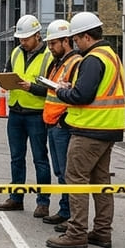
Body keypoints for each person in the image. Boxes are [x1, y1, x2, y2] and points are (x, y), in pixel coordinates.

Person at [46, 11, 125, 248]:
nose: (75, 43)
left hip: (89, 129)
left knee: (76, 179)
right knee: (100, 181)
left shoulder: (92, 59)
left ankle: (76, 231)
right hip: (108, 128)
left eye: (77, 38)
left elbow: (82, 95)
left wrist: (61, 91)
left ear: (86, 37)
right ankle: (102, 231)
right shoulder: (111, 55)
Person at [0, 14, 53, 217]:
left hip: (36, 114)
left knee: (40, 159)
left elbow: (52, 89)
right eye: (20, 39)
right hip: (16, 112)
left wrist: (32, 88)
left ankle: (43, 202)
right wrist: (4, 80)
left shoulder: (49, 56)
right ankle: (16, 198)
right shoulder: (16, 53)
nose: (22, 42)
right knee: (16, 158)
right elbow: (9, 73)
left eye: (26, 39)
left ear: (37, 36)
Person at [41, 19, 81, 226]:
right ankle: (65, 210)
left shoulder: (75, 62)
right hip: (53, 123)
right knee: (60, 171)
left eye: (53, 43)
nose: (50, 48)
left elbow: (77, 95)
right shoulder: (57, 63)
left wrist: (63, 122)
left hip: (62, 126)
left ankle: (70, 214)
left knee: (67, 172)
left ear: (66, 41)